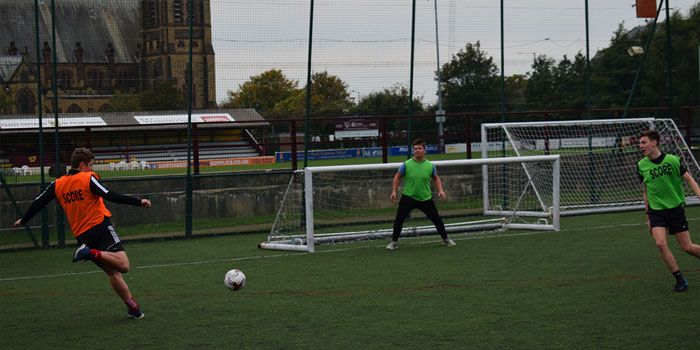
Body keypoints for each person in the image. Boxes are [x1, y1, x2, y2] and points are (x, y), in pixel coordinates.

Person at [15, 147, 152, 318]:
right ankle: (91, 253)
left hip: (82, 235)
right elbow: (109, 195)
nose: (92, 169)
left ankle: (133, 308)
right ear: (82, 165)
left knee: (112, 272)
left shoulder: (58, 184)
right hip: (100, 226)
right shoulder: (87, 178)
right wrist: (139, 202)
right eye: (91, 165)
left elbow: (39, 201)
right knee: (123, 266)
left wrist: (25, 219)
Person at [638, 130, 700, 292]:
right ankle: (680, 280)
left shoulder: (673, 160)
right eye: (640, 143)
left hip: (675, 210)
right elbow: (645, 191)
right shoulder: (641, 165)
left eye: (643, 142)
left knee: (687, 247)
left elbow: (689, 179)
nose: (640, 146)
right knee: (660, 243)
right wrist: (648, 216)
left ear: (654, 142)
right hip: (656, 211)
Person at [386, 138, 456, 250]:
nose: (417, 150)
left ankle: (446, 239)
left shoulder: (430, 166)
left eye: (419, 148)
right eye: (415, 149)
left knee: (437, 219)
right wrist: (394, 191)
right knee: (399, 219)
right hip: (408, 197)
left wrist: (440, 190)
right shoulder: (406, 164)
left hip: (425, 198)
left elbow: (436, 178)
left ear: (424, 150)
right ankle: (393, 242)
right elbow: (397, 177)